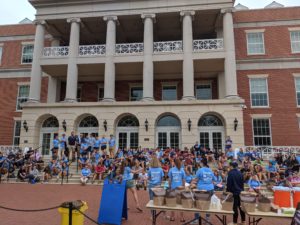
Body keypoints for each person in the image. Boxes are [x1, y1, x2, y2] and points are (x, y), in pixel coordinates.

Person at [194, 158, 214, 224]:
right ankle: (207, 220)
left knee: (197, 203)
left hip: (201, 189)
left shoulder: (200, 170)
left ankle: (196, 219)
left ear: (202, 163)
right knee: (207, 204)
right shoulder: (210, 170)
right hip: (210, 188)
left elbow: (196, 179)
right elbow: (213, 179)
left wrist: (192, 183)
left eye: (200, 162)